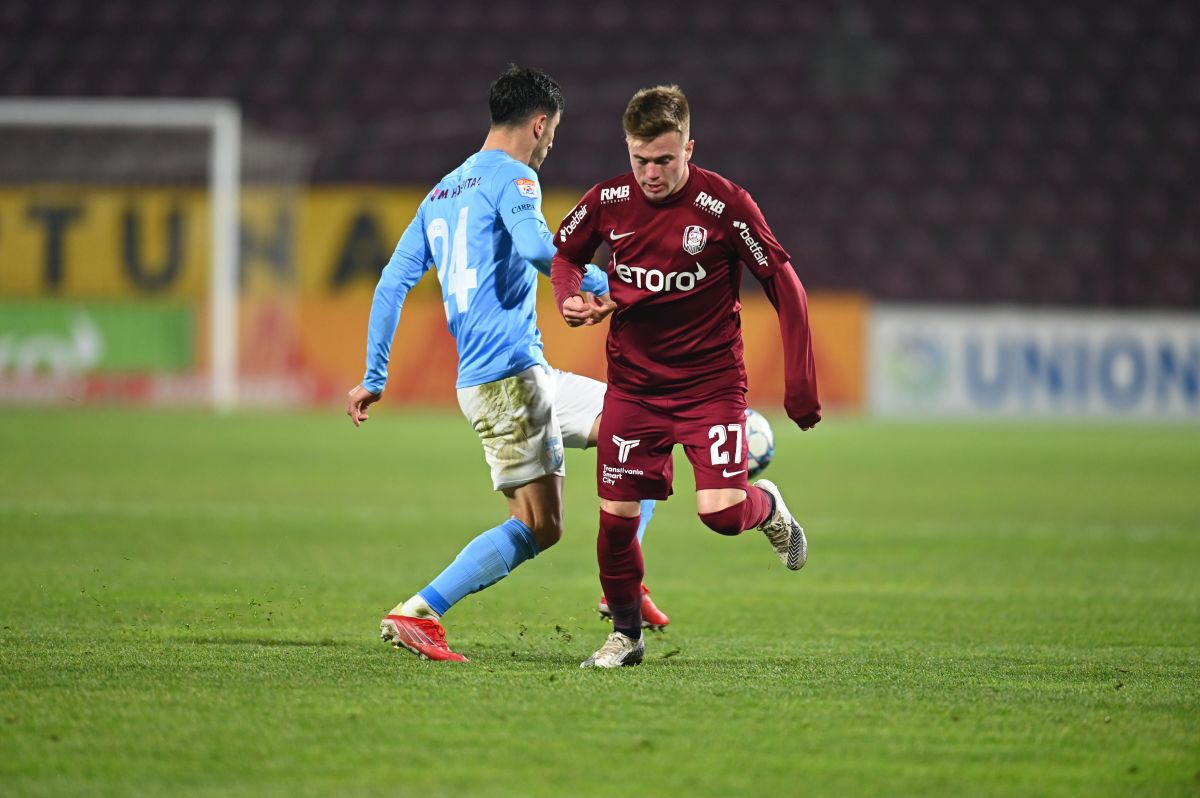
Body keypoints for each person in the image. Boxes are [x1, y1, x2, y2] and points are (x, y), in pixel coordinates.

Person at [345, 65, 669, 663]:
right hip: (505, 382)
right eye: (554, 133)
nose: (552, 145)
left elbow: (391, 283)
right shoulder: (516, 177)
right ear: (540, 125)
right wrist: (609, 280)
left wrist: (374, 374)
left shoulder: (440, 192)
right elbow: (539, 248)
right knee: (540, 526)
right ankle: (418, 611)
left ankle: (622, 581)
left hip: (524, 373)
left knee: (642, 426)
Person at [551, 85, 821, 669]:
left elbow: (785, 285)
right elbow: (565, 253)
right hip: (634, 388)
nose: (650, 173)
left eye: (664, 161)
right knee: (615, 523)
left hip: (711, 388)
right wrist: (568, 295)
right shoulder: (607, 200)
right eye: (639, 159)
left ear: (688, 149)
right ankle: (625, 636)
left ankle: (766, 507)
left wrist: (801, 385)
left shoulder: (725, 206)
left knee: (722, 514)